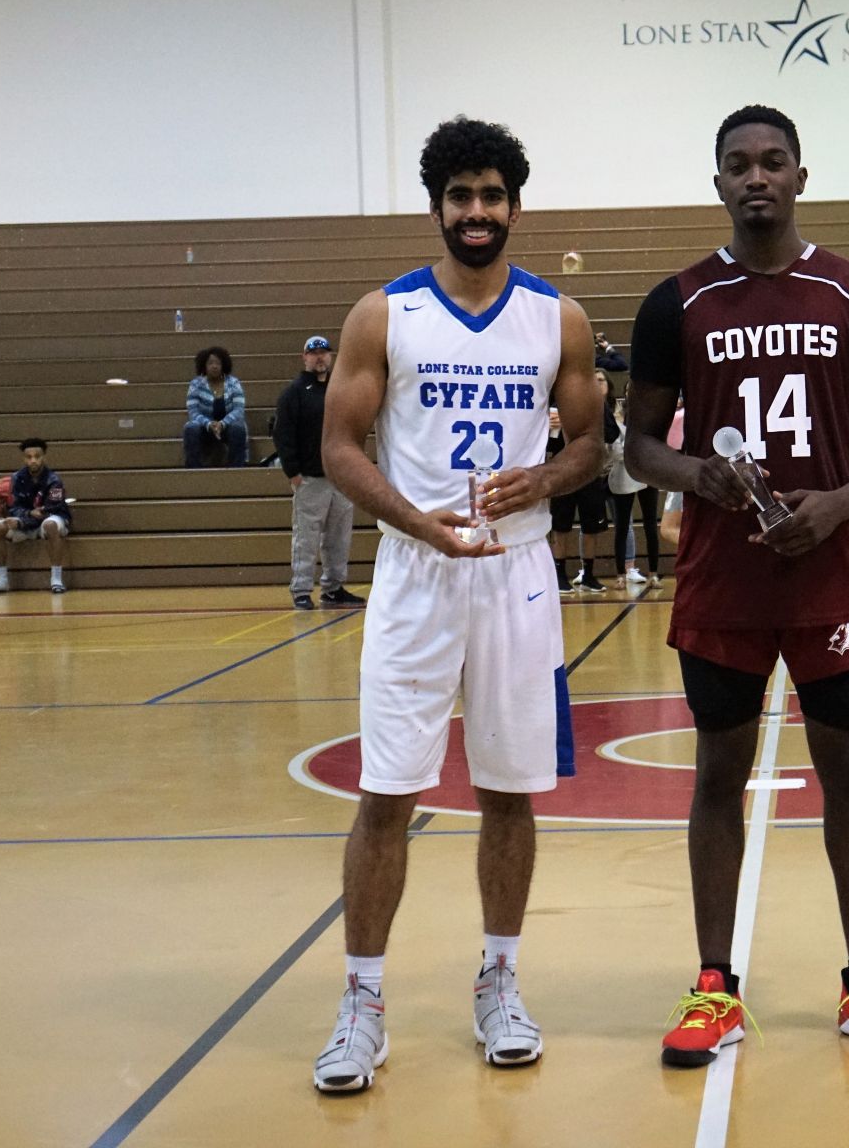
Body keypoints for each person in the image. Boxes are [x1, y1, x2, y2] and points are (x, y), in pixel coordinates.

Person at [626, 104, 849, 1067]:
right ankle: (714, 985)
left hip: (829, 575)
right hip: (724, 577)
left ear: (802, 174)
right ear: (716, 182)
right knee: (719, 775)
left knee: (847, 770)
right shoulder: (674, 303)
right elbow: (638, 445)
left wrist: (840, 505)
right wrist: (697, 477)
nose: (755, 177)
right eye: (737, 164)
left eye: (772, 161)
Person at [312, 116, 605, 1094]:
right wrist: (415, 518)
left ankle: (500, 979)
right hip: (417, 569)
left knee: (509, 789)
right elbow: (340, 447)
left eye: (492, 194)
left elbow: (591, 444)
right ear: (437, 205)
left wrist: (551, 478)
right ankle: (362, 1001)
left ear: (514, 205)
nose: (476, 211)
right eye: (460, 196)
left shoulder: (557, 317)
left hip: (518, 573)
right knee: (388, 789)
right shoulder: (381, 315)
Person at [275, 336, 363, 610]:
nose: (319, 357)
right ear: (305, 358)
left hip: (341, 479)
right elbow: (283, 433)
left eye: (324, 352)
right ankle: (301, 589)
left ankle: (333, 588)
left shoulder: (341, 390)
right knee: (307, 539)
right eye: (313, 353)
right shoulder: (294, 393)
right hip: (311, 478)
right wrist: (293, 471)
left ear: (331, 356)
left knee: (339, 538)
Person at [0, 439, 72, 595]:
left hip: (51, 518)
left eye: (37, 456)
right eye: (29, 457)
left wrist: (23, 520)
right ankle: (2, 580)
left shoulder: (55, 480)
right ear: (24, 458)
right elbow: (15, 506)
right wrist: (22, 517)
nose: (33, 460)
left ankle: (56, 580)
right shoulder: (16, 478)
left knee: (50, 525)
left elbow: (52, 507)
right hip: (26, 521)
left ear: (44, 457)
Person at [547, 400, 612, 595]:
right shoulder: (550, 404)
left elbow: (612, 432)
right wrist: (549, 427)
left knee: (592, 525)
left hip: (589, 472)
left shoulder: (596, 403)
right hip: (561, 470)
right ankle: (559, 574)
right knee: (560, 524)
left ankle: (588, 575)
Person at [605, 380, 661, 588]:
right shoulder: (617, 415)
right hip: (624, 472)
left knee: (650, 524)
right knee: (621, 525)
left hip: (647, 473)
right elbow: (616, 450)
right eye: (628, 390)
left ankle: (654, 573)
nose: (631, 394)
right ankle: (621, 573)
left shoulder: (650, 414)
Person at [184, 346, 250, 466]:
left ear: (223, 365)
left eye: (218, 363)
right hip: (204, 427)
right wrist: (209, 424)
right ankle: (193, 470)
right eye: (210, 363)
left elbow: (238, 410)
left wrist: (222, 424)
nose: (214, 366)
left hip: (228, 426)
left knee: (238, 428)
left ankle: (237, 469)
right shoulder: (196, 384)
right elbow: (193, 411)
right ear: (204, 365)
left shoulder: (233, 383)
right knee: (190, 429)